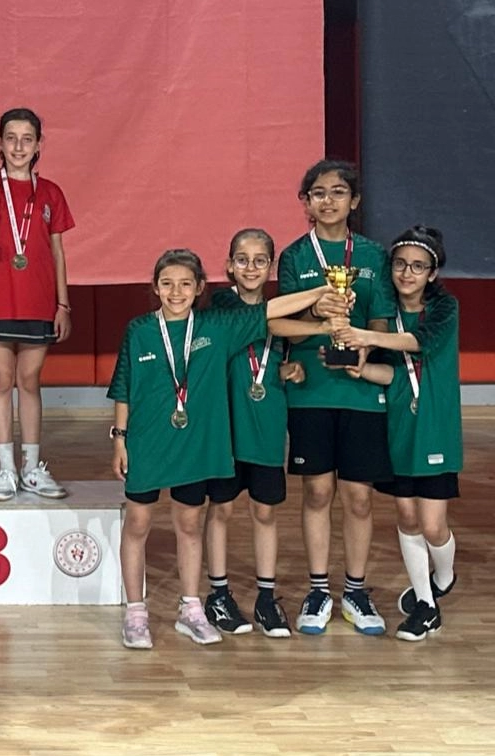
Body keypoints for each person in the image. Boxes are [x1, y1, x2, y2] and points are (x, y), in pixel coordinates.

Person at [109, 249, 335, 649]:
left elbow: (271, 311)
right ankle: (136, 612)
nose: (175, 292)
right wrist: (119, 439)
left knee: (189, 524)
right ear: (155, 288)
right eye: (167, 283)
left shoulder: (217, 325)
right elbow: (124, 387)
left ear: (199, 288)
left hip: (195, 445)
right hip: (147, 441)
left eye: (185, 284)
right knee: (138, 524)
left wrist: (320, 293)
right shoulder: (139, 329)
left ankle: (191, 608)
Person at [276, 160, 395, 636]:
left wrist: (366, 345)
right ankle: (318, 589)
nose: (328, 201)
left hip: (360, 388)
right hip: (311, 389)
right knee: (318, 491)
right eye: (319, 193)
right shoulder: (294, 256)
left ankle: (357, 591)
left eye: (338, 192)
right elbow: (284, 323)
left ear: (354, 201)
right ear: (306, 202)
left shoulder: (372, 254)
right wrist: (316, 311)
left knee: (359, 496)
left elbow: (382, 318)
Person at [332, 225, 461, 642]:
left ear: (432, 273)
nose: (407, 273)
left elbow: (419, 343)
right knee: (406, 516)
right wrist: (361, 368)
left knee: (433, 525)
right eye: (401, 264)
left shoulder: (444, 309)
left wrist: (366, 336)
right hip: (400, 427)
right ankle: (426, 606)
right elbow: (394, 375)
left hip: (436, 427)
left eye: (418, 266)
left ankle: (444, 576)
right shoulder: (386, 314)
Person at [201, 229, 307, 638]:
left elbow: (285, 355)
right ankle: (218, 594)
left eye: (260, 260)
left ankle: (266, 597)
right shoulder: (221, 305)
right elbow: (267, 322)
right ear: (229, 265)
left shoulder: (281, 314)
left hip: (266, 427)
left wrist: (291, 370)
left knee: (265, 512)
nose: (250, 268)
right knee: (221, 509)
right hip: (226, 430)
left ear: (270, 267)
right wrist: (314, 318)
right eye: (242, 260)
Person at [0, 108, 75, 501]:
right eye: (11, 138)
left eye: (27, 139)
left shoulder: (50, 192)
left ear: (38, 145)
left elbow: (58, 252)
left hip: (39, 300)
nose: (18, 146)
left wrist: (63, 304)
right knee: (1, 380)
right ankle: (6, 469)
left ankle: (32, 468)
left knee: (29, 381)